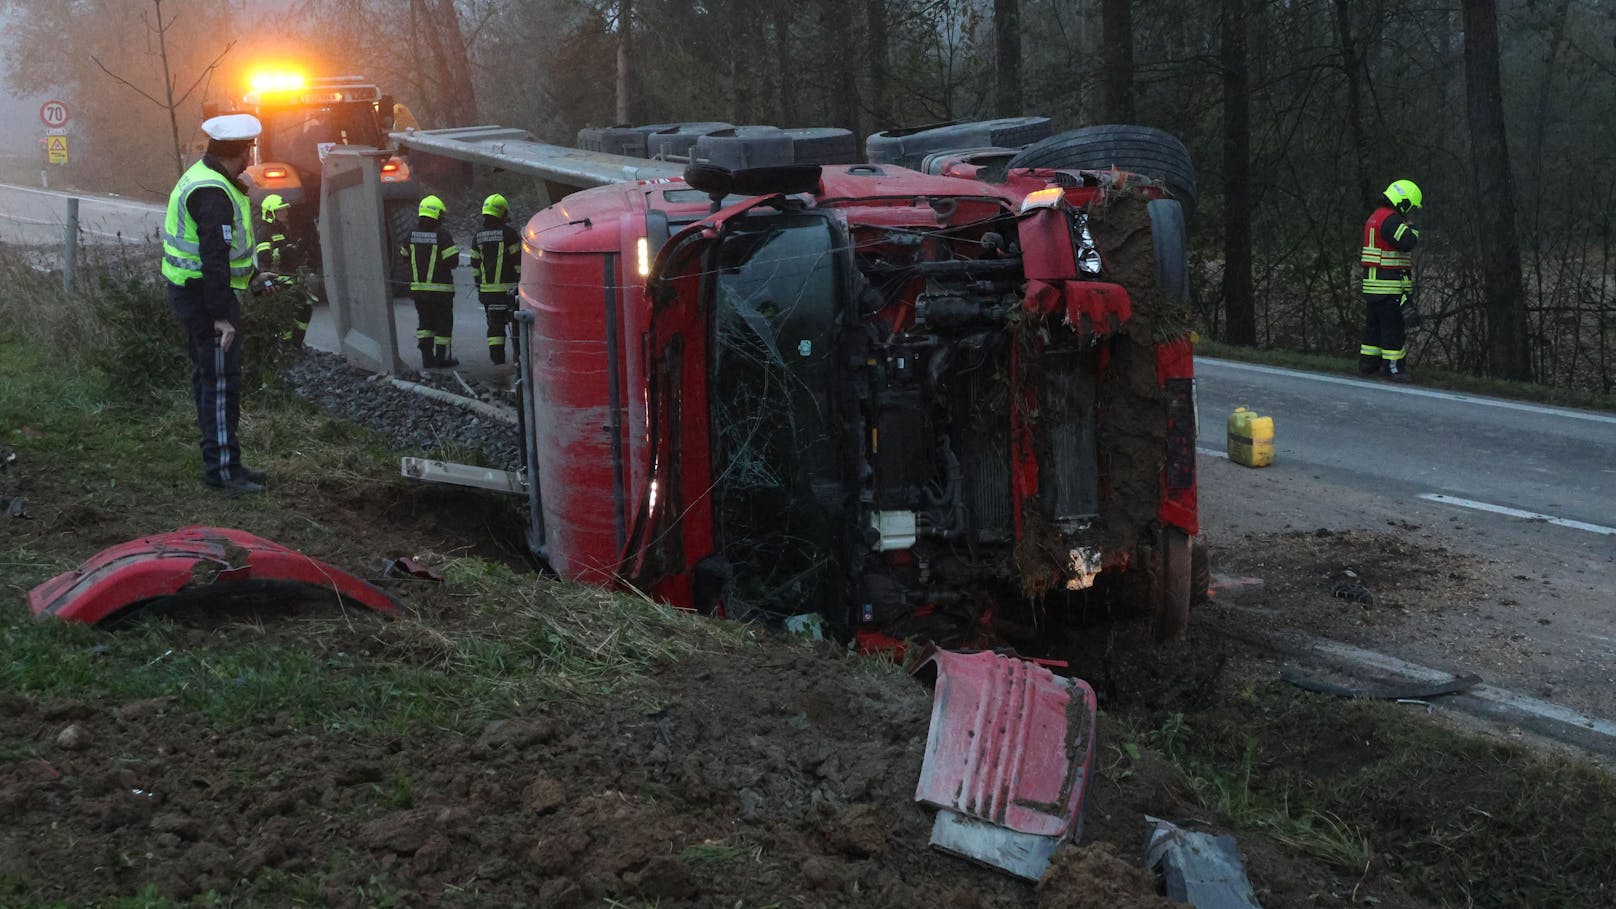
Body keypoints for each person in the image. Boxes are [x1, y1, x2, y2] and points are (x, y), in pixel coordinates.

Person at [161, 113, 270, 495]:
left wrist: (253, 275)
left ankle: (226, 461)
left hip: (195, 295)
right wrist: (222, 317)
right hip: (205, 301)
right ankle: (223, 473)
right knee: (222, 383)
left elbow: (228, 251)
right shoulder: (213, 194)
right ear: (239, 151)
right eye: (249, 151)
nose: (250, 159)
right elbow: (214, 259)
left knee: (211, 380)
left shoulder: (209, 179)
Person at [1359, 179, 1423, 383]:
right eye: (1410, 207)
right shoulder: (1391, 220)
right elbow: (1407, 242)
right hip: (1389, 288)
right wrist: (1414, 231)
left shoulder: (1374, 217)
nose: (1410, 212)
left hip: (1373, 288)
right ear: (1403, 202)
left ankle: (1368, 365)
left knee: (1373, 329)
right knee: (1392, 330)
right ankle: (1394, 368)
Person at [403, 194, 459, 368]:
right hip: (441, 291)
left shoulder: (411, 234)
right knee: (443, 324)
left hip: (418, 291)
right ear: (436, 214)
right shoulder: (442, 235)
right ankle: (441, 358)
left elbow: (404, 256)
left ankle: (427, 358)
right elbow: (453, 262)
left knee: (425, 323)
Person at [254, 193, 315, 345]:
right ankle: (286, 347)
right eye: (280, 210)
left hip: (286, 279)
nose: (285, 213)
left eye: (284, 210)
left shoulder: (281, 229)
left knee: (305, 307)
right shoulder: (265, 231)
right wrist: (285, 251)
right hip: (273, 281)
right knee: (290, 310)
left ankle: (295, 343)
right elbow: (264, 257)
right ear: (270, 212)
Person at [469, 193, 521, 364]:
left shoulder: (478, 236)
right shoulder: (510, 234)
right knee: (516, 326)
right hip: (509, 291)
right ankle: (519, 359)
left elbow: (475, 265)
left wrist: (479, 287)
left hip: (488, 293)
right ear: (502, 213)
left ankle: (497, 359)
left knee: (494, 326)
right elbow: (518, 262)